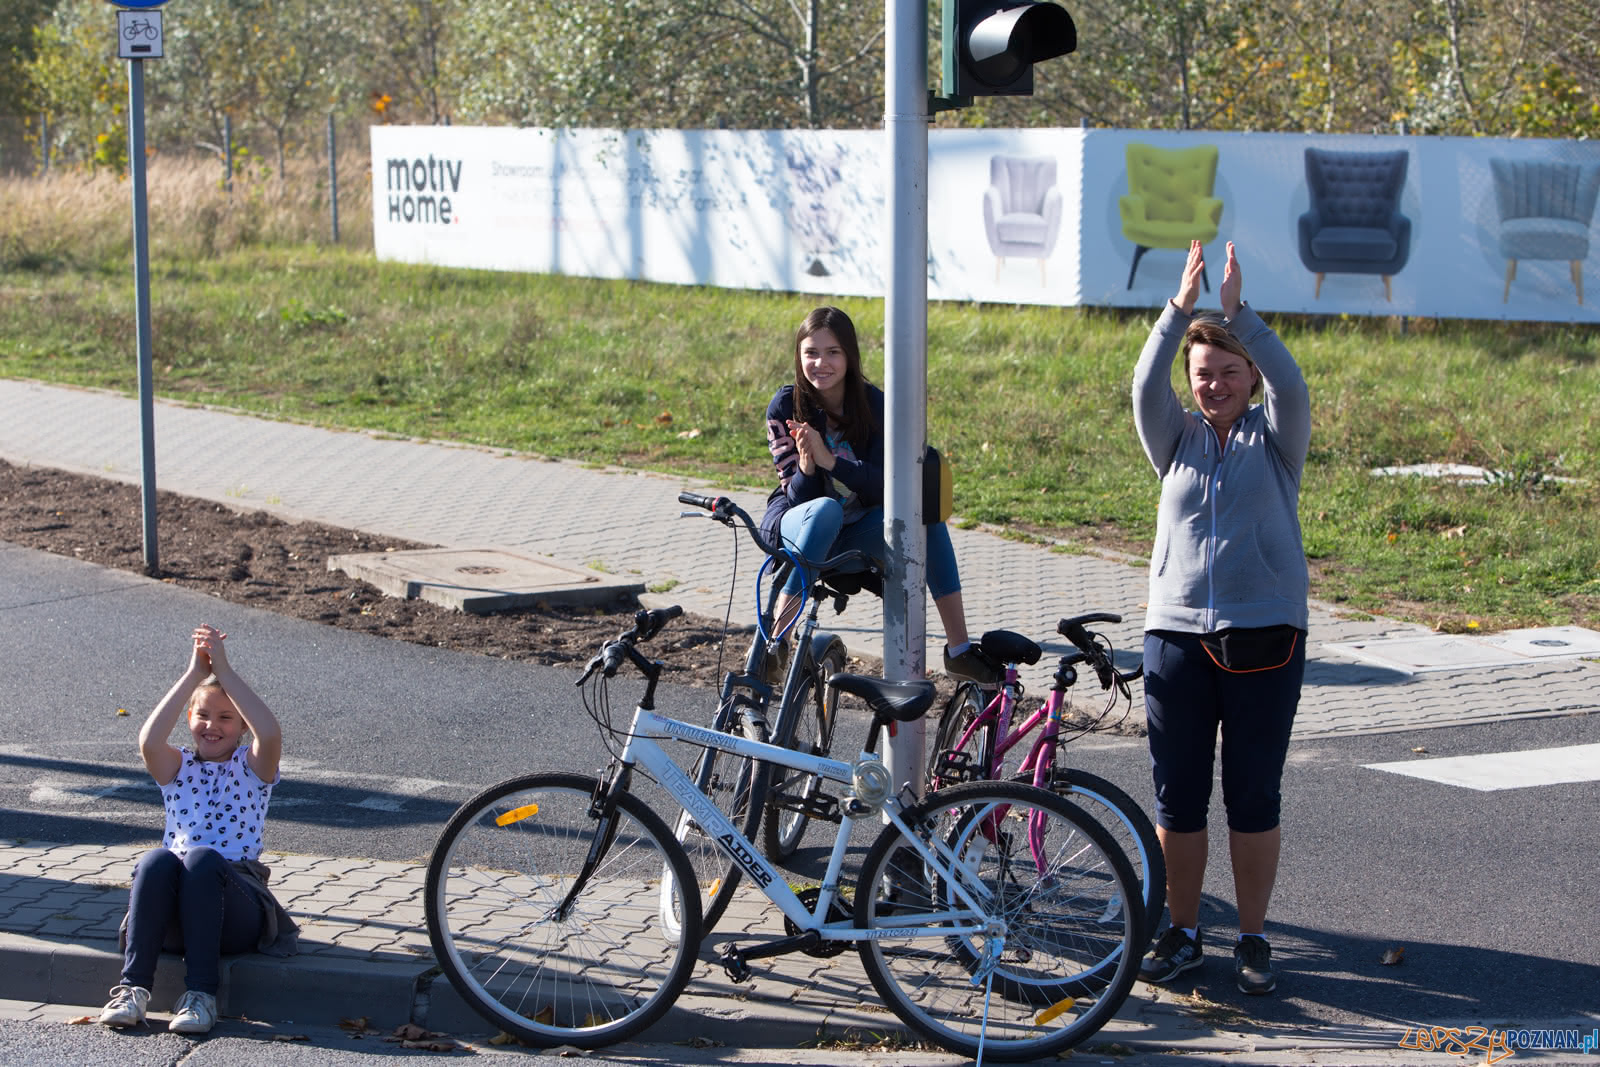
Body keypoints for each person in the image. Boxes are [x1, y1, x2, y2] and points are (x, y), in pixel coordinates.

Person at [1130, 241, 1311, 995]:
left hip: (1266, 637)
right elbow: (1144, 382)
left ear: (1249, 377)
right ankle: (1181, 931)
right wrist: (1180, 309)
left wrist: (1237, 311)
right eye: (1203, 375)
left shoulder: (1277, 440)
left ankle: (1254, 935)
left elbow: (1293, 385)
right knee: (1177, 796)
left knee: (1253, 794)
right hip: (1175, 639)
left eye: (1228, 373)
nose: (1214, 386)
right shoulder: (1174, 439)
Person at [762, 306, 997, 685]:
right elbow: (795, 500)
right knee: (824, 510)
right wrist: (808, 465)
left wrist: (830, 460)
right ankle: (777, 642)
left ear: (850, 356)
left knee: (925, 519)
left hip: (854, 529)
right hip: (800, 525)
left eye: (833, 352)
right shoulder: (787, 406)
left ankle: (959, 651)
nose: (821, 363)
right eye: (811, 353)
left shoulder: (874, 406)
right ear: (798, 356)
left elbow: (889, 487)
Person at [98, 624, 297, 1034]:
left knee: (203, 860)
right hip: (175, 916)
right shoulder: (178, 767)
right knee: (156, 860)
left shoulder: (253, 766)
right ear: (189, 718)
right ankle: (132, 990)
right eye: (203, 714)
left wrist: (223, 670)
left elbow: (271, 731)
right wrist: (194, 674)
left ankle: (201, 997)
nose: (213, 725)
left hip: (234, 910)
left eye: (226, 718)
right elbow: (149, 739)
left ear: (241, 726)